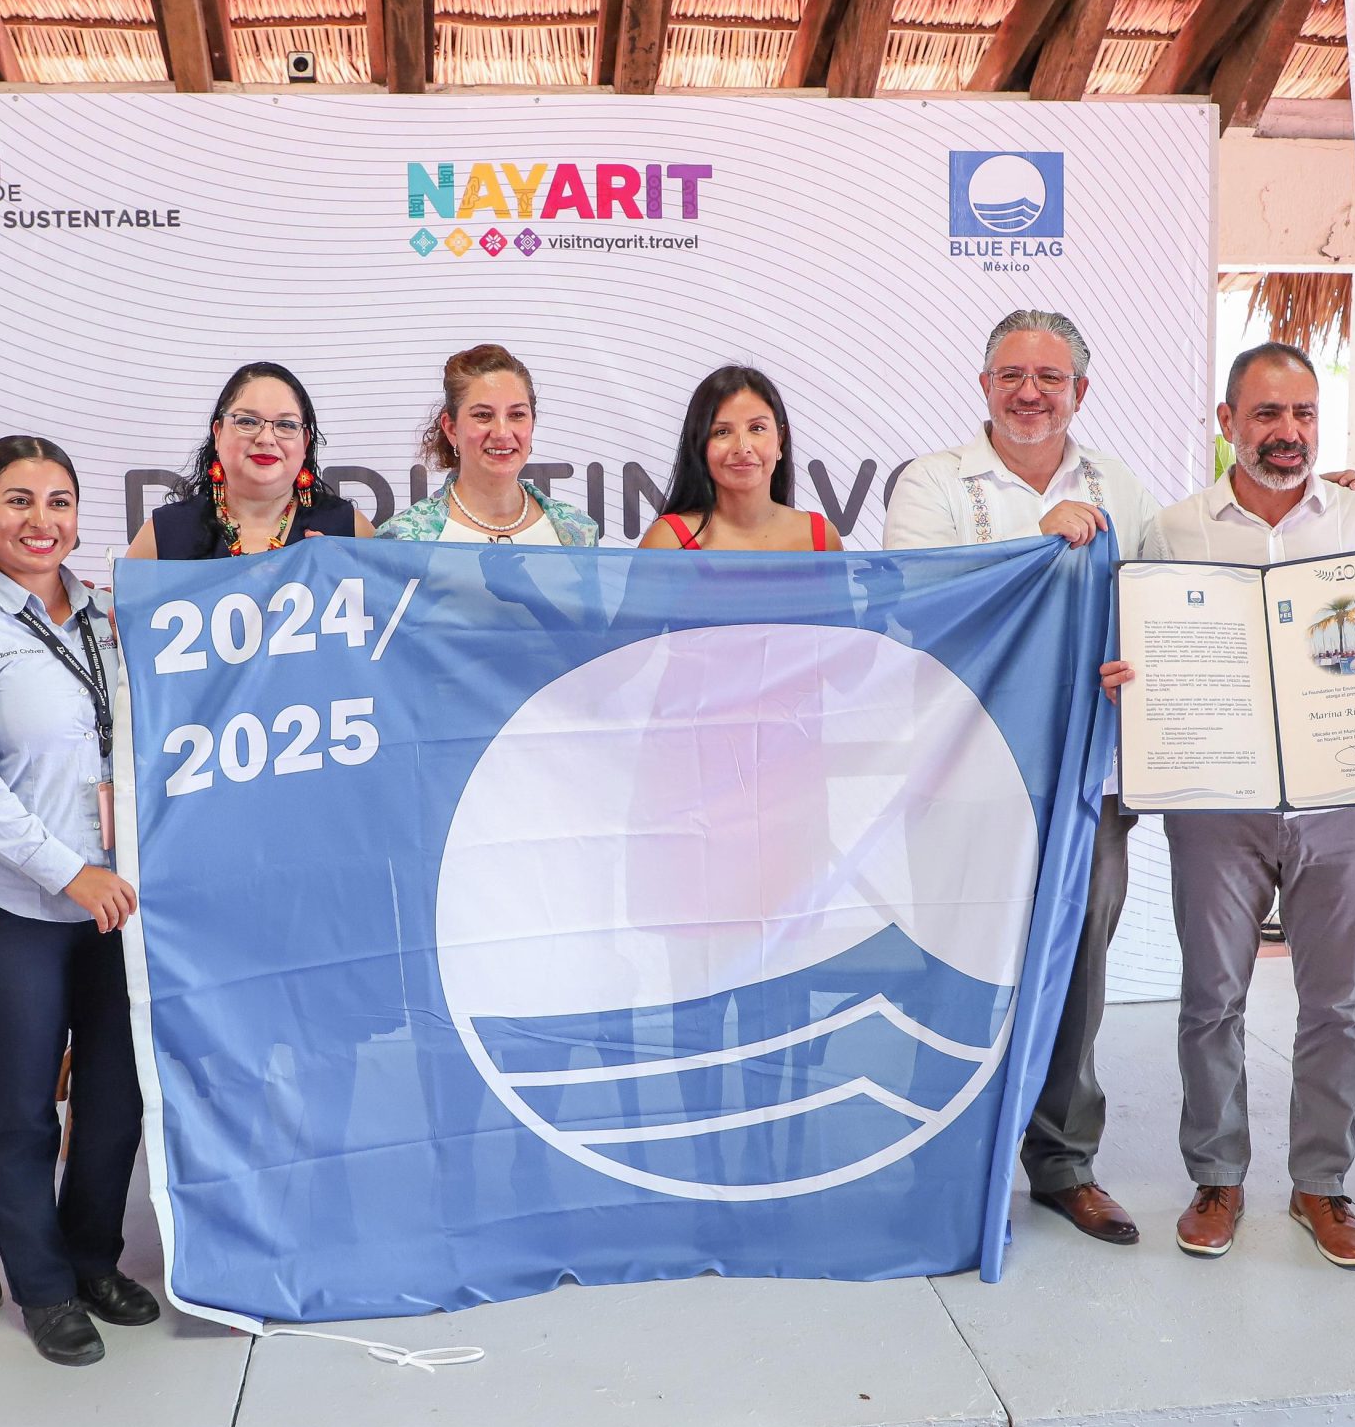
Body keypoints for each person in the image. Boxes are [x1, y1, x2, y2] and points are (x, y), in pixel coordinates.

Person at [1111, 343, 1355, 1270]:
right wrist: (1128, 680)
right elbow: (1140, 650)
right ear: (1227, 422)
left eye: (1304, 413)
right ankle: (1217, 1177)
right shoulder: (1175, 529)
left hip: (1342, 801)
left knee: (1336, 1005)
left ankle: (1322, 1185)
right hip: (1216, 804)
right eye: (1267, 414)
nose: (1288, 432)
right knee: (1211, 998)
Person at [884, 308, 1160, 1245]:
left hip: (1087, 774)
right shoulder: (932, 483)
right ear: (983, 385)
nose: (1030, 392)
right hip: (962, 772)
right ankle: (939, 1151)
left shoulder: (1122, 485)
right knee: (953, 958)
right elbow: (924, 607)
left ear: (1081, 390)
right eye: (1011, 375)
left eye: (1050, 377)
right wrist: (1037, 544)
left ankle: (1062, 1160)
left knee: (1078, 963)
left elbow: (1161, 611)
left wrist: (1142, 660)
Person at [0, 437, 161, 1362]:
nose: (41, 521)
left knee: (116, 1094)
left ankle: (94, 1256)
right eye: (18, 502)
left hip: (118, 904)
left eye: (58, 502)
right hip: (16, 910)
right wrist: (71, 871)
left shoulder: (110, 617)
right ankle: (45, 1285)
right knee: (21, 1107)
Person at [124, 361, 370, 560]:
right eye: (247, 422)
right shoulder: (164, 534)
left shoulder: (350, 532)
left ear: (305, 442)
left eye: (286, 425)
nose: (266, 438)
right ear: (218, 433)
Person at [377, 343, 600, 545]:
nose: (502, 433)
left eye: (517, 414)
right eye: (483, 415)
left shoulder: (578, 531)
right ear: (451, 428)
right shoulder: (402, 538)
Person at [638, 366, 841, 551]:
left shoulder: (821, 538)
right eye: (722, 431)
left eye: (757, 428)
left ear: (780, 440)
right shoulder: (667, 541)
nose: (742, 447)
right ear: (699, 445)